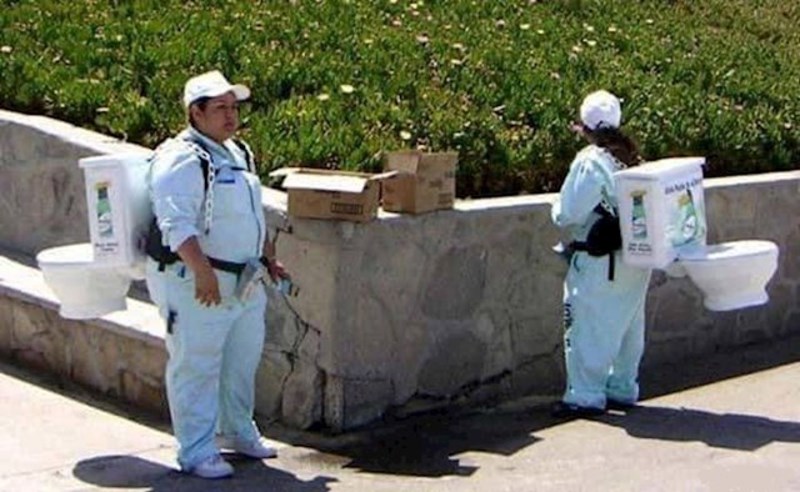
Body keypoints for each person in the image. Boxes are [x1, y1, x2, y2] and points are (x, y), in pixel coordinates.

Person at [145, 70, 286, 478]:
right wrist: (202, 272)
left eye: (234, 107)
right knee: (197, 364)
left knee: (241, 360)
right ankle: (196, 451)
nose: (230, 116)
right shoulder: (181, 158)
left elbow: (250, 214)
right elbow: (176, 224)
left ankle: (237, 431)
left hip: (244, 280)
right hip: (197, 281)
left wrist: (269, 258)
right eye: (220, 107)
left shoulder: (237, 152)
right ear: (196, 112)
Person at [550, 90, 652, 418]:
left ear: (585, 126)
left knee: (588, 326)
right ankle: (622, 387)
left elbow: (570, 212)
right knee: (628, 325)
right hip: (633, 258)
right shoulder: (632, 158)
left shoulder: (591, 161)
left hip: (599, 261)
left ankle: (584, 395)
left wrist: (556, 208)